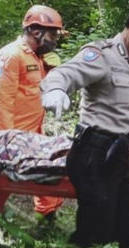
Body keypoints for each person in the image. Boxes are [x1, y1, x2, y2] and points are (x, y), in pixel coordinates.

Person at [40, 1, 129, 247]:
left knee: (128, 231)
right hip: (94, 154)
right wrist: (56, 90)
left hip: (120, 154)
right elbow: (65, 73)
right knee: (94, 232)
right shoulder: (102, 55)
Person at [0, 5, 64, 225]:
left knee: (48, 179)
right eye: (53, 34)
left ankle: (46, 222)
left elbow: (36, 90)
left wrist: (51, 72)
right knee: (3, 184)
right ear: (37, 32)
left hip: (35, 133)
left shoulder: (37, 57)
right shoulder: (11, 55)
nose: (56, 40)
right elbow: (3, 101)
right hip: (14, 138)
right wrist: (8, 140)